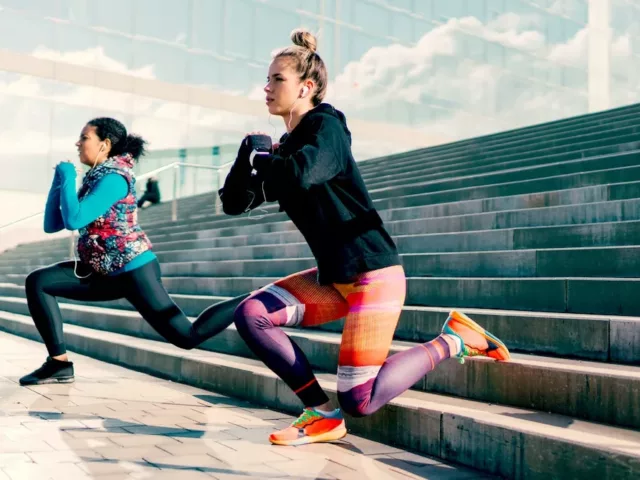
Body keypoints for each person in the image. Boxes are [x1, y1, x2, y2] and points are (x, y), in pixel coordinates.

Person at [220, 30, 511, 446]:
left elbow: (304, 173)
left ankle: (455, 339)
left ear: (306, 87)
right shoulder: (285, 149)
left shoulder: (327, 128)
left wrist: (265, 159)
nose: (266, 88)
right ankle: (320, 414)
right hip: (335, 278)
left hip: (373, 274)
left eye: (276, 79)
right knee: (252, 315)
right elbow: (236, 203)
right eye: (267, 79)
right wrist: (245, 155)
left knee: (361, 400)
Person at [20, 117, 247, 386]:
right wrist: (59, 183)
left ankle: (255, 299)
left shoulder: (114, 179)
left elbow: (74, 220)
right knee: (39, 281)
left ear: (104, 145)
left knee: (187, 336)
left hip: (134, 271)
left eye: (84, 138)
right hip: (103, 271)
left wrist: (68, 176)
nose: (78, 143)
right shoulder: (96, 177)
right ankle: (58, 363)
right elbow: (52, 224)